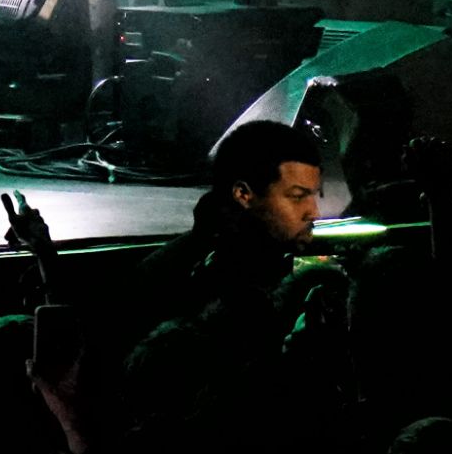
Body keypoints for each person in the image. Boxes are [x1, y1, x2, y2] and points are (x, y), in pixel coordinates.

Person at [131, 119, 323, 338]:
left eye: (314, 196)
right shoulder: (183, 285)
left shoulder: (264, 260)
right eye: (298, 196)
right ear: (243, 194)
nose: (314, 212)